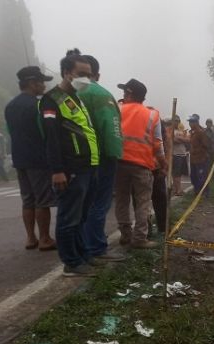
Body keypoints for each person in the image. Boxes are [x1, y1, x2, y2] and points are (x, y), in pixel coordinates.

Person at [39, 51, 99, 277]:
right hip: (71, 168)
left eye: (90, 75)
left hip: (88, 165)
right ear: (66, 73)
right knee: (69, 216)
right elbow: (51, 138)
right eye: (81, 74)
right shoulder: (52, 100)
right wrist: (57, 170)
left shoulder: (76, 99)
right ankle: (71, 262)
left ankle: (83, 254)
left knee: (82, 216)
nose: (87, 79)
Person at [77, 54, 125, 262]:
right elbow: (111, 127)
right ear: (96, 74)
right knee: (99, 202)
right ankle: (96, 247)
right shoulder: (100, 94)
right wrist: (115, 154)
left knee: (80, 204)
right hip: (101, 157)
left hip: (73, 158)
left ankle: (80, 248)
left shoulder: (64, 94)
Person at [5, 66, 56, 251]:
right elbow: (47, 132)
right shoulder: (39, 104)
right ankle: (45, 239)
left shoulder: (10, 106)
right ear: (33, 83)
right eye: (41, 82)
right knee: (42, 201)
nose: (44, 85)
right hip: (38, 159)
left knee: (27, 200)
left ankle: (30, 238)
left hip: (19, 159)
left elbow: (10, 131)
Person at [115, 78, 167, 249]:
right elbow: (157, 144)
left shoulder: (118, 109)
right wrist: (163, 164)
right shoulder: (152, 115)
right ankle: (139, 238)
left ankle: (125, 234)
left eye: (124, 92)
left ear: (130, 94)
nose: (123, 95)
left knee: (122, 199)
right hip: (142, 164)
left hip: (119, 161)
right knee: (143, 201)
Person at [188, 114, 210, 194]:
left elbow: (206, 145)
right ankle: (196, 191)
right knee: (193, 177)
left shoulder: (201, 132)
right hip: (193, 159)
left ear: (196, 123)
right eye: (189, 122)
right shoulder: (192, 133)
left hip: (201, 159)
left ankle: (204, 193)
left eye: (191, 122)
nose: (190, 124)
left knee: (201, 177)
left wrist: (198, 150)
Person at [172, 115, 188, 196]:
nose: (176, 122)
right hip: (175, 154)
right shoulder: (171, 131)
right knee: (176, 173)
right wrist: (182, 139)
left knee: (179, 173)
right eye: (175, 120)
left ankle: (177, 189)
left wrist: (181, 138)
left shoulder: (181, 131)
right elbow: (174, 141)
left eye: (178, 121)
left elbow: (188, 140)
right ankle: (177, 190)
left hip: (182, 154)